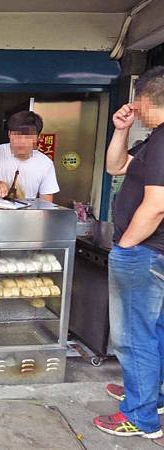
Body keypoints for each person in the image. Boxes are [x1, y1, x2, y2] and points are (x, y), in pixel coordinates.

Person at [92, 66, 164, 442]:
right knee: (155, 332)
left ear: (148, 100)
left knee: (134, 337)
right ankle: (151, 396)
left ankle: (141, 417)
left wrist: (125, 245)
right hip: (153, 255)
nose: (133, 106)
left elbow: (156, 206)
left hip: (146, 254)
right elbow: (115, 167)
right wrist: (120, 130)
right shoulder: (154, 140)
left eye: (137, 99)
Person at [0, 111, 59, 202]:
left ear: (38, 138)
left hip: (26, 214)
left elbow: (46, 202)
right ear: (9, 134)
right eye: (17, 135)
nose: (22, 141)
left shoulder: (45, 163)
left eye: (28, 137)